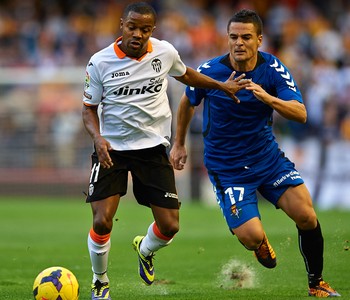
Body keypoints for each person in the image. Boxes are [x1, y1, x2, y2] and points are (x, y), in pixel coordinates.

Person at [82, 2, 251, 299]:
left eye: (144, 29)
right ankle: (100, 280)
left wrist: (221, 87)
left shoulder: (164, 52)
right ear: (122, 24)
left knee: (170, 226)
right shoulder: (100, 62)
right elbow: (88, 109)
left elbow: (187, 75)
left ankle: (144, 248)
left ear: (152, 30)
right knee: (101, 220)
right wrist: (97, 137)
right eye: (132, 27)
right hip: (113, 149)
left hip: (152, 148)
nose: (137, 34)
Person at [170, 9, 341, 298]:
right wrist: (179, 143)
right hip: (228, 168)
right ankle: (258, 242)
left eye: (246, 37)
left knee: (307, 215)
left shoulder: (273, 70)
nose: (239, 42)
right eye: (233, 36)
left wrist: (268, 97)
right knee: (251, 237)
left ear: (259, 39)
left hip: (267, 160)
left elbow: (300, 113)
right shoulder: (210, 71)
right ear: (227, 39)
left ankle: (317, 284)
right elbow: (187, 103)